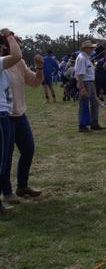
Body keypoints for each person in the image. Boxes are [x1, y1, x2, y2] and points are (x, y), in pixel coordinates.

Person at [2, 45, 44, 205]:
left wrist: (39, 67)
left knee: (28, 150)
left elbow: (34, 82)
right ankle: (6, 192)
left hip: (19, 114)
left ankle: (22, 186)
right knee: (6, 156)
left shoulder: (19, 63)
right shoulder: (2, 63)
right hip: (5, 116)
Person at [0, 29, 25, 213]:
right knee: (2, 159)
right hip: (2, 115)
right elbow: (17, 55)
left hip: (6, 113)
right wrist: (9, 36)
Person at [75, 40, 103, 132]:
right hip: (86, 83)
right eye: (91, 48)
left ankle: (93, 123)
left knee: (94, 103)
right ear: (85, 48)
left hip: (90, 83)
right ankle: (82, 125)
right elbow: (80, 74)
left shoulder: (86, 57)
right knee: (84, 104)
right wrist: (82, 87)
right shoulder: (82, 58)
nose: (92, 49)